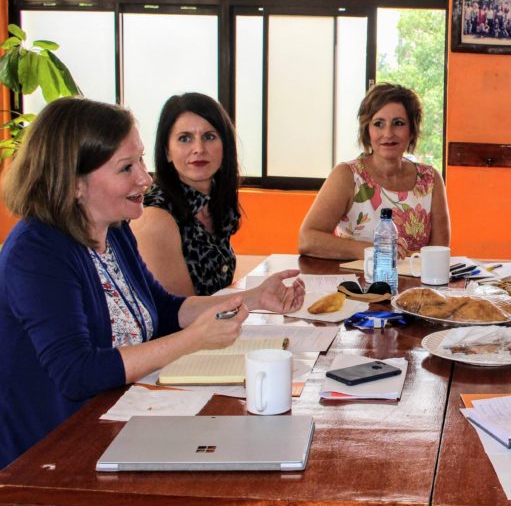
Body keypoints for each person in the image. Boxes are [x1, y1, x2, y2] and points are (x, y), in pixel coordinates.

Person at [0, 98, 305, 468]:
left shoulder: (113, 231)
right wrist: (193, 340)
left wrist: (253, 299)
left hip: (121, 421)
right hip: (53, 454)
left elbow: (162, 309)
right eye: (126, 167)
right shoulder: (37, 252)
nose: (145, 177)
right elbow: (76, 373)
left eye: (141, 160)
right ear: (74, 182)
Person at [298, 83, 450, 260]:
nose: (388, 133)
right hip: (357, 285)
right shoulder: (347, 175)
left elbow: (440, 252)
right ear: (367, 130)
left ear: (411, 130)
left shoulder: (430, 179)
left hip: (415, 286)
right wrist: (373, 251)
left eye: (398, 123)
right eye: (378, 124)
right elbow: (307, 240)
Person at [134, 93, 241, 296]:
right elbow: (178, 315)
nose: (199, 149)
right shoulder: (155, 217)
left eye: (209, 136)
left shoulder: (216, 203)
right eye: (185, 138)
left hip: (214, 324)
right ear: (167, 151)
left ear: (225, 146)